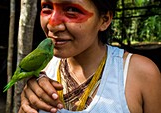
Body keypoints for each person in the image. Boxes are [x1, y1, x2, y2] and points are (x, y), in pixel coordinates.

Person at [18, 0, 161, 113]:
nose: (53, 26)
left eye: (72, 10)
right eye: (47, 7)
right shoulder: (41, 68)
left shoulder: (141, 75)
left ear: (104, 20)